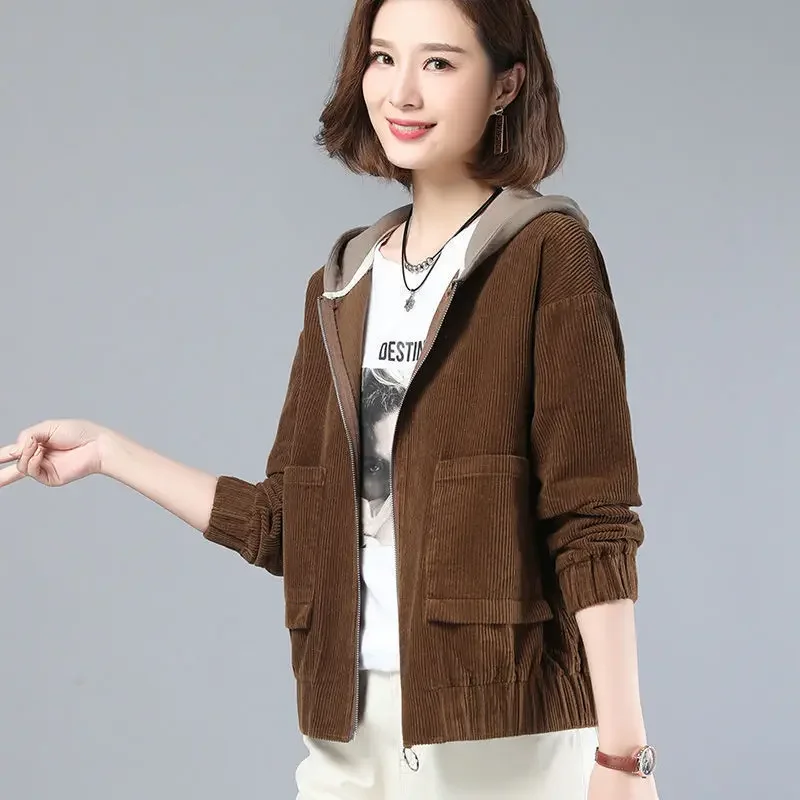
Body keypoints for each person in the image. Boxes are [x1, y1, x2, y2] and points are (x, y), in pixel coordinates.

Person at [0, 1, 660, 798]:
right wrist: (110, 453)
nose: (402, 92)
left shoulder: (549, 254)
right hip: (348, 733)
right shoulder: (342, 284)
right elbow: (287, 523)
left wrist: (622, 755)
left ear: (506, 84)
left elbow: (590, 521)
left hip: (502, 734)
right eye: (383, 57)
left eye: (439, 62)